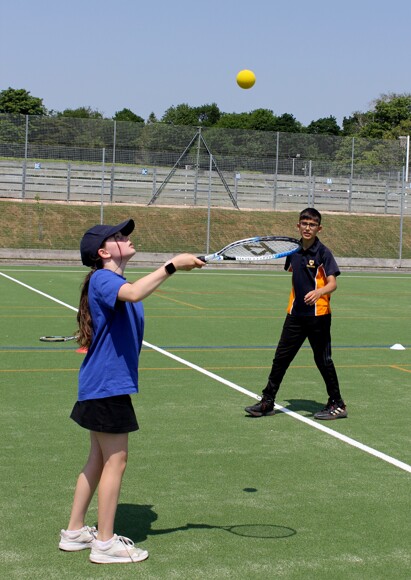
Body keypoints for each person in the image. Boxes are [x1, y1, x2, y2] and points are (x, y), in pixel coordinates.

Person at [59, 219, 204, 564]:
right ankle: (105, 542)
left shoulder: (112, 280)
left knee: (98, 458)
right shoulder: (105, 278)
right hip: (108, 385)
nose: (127, 238)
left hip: (101, 383)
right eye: (119, 236)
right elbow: (136, 294)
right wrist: (172, 265)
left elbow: (131, 295)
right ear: (103, 251)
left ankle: (75, 531)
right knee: (116, 461)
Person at [245, 208, 347, 420]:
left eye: (312, 225)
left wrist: (318, 292)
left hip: (318, 316)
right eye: (304, 224)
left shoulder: (323, 253)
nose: (307, 228)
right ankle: (268, 401)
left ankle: (337, 403)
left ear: (319, 228)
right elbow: (293, 272)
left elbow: (333, 284)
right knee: (280, 358)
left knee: (323, 360)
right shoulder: (293, 251)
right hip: (295, 315)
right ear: (297, 226)